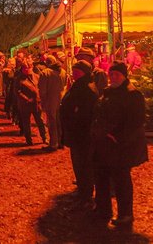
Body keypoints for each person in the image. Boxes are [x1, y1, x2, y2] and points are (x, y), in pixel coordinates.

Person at [91, 61, 148, 229]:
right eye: (112, 74)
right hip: (104, 144)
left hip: (120, 146)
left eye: (117, 74)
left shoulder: (133, 95)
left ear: (124, 76)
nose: (113, 77)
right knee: (101, 177)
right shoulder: (109, 92)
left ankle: (125, 215)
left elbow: (136, 121)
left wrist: (117, 136)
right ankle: (103, 209)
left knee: (121, 181)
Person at [60, 60, 98, 207]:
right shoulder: (79, 85)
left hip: (82, 134)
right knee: (78, 163)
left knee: (84, 164)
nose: (74, 74)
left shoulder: (87, 88)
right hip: (76, 132)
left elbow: (85, 113)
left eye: (77, 71)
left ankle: (86, 194)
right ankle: (82, 190)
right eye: (74, 71)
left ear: (84, 72)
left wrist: (73, 115)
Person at [15, 61, 46, 146]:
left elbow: (41, 88)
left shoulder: (37, 77)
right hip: (25, 104)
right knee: (26, 123)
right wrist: (27, 99)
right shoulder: (19, 79)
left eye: (29, 67)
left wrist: (40, 98)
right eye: (25, 68)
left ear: (32, 67)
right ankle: (28, 139)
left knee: (40, 121)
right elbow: (18, 92)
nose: (27, 69)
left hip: (37, 103)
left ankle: (44, 137)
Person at [39, 55, 65, 151]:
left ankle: (53, 143)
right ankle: (61, 142)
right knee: (60, 122)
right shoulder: (63, 72)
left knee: (52, 122)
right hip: (61, 99)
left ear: (47, 63)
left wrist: (42, 102)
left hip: (50, 101)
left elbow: (42, 91)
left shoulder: (45, 73)